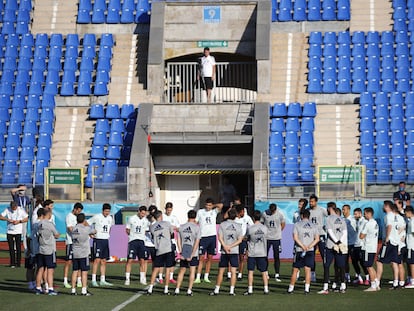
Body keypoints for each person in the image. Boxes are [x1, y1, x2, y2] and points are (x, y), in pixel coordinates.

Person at [209, 208, 243, 296]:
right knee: (233, 271)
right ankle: (231, 291)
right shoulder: (239, 226)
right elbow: (240, 240)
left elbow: (219, 237)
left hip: (224, 251)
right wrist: (230, 247)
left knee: (221, 271)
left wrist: (225, 246)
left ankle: (217, 289)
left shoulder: (223, 224)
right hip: (234, 251)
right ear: (235, 216)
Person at [287, 209, 319, 294]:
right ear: (309, 216)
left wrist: (302, 246)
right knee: (307, 270)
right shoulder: (314, 225)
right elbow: (317, 239)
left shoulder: (297, 224)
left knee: (295, 270)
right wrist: (309, 246)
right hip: (310, 250)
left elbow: (295, 237)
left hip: (299, 250)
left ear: (302, 216)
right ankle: (307, 289)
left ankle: (291, 288)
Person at [318, 204, 348, 294]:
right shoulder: (342, 219)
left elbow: (330, 232)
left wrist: (336, 242)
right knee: (341, 266)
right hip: (340, 245)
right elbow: (345, 232)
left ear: (329, 209)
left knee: (327, 266)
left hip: (330, 246)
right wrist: (340, 242)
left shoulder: (328, 219)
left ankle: (326, 287)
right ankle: (343, 286)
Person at [376, 200, 406, 290]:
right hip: (396, 242)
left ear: (387, 206)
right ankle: (396, 282)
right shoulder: (398, 217)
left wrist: (387, 237)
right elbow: (403, 227)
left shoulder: (388, 216)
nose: (383, 207)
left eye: (384, 206)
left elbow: (389, 226)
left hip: (389, 241)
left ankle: (376, 282)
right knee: (395, 262)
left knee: (379, 260)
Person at [147, 211, 175, 295]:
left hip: (159, 249)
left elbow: (152, 236)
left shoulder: (151, 227)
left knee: (156, 269)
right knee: (168, 269)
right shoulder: (167, 223)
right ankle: (166, 289)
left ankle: (150, 289)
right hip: (168, 249)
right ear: (161, 216)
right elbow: (172, 235)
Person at [195, 198, 222, 284]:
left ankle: (206, 276)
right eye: (207, 205)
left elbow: (220, 205)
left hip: (212, 237)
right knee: (201, 258)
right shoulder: (200, 212)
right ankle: (198, 277)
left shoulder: (214, 212)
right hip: (203, 237)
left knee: (210, 258)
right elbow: (196, 221)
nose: (208, 207)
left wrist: (212, 206)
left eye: (210, 205)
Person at [174, 209, 201, 296]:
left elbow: (178, 239)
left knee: (182, 270)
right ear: (195, 217)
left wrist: (181, 251)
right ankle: (189, 290)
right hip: (192, 251)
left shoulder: (182, 227)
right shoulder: (197, 228)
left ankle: (177, 289)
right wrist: (192, 254)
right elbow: (197, 242)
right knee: (192, 271)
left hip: (185, 250)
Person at [88, 203, 114, 287]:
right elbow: (87, 223)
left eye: (108, 211)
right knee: (97, 260)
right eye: (106, 211)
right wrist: (90, 232)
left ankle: (103, 279)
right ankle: (93, 279)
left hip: (106, 240)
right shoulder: (97, 217)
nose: (107, 213)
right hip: (98, 240)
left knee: (104, 260)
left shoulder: (110, 218)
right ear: (102, 210)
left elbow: (110, 228)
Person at [243, 210, 269, 295]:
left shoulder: (250, 228)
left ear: (253, 218)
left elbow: (246, 238)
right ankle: (266, 289)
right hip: (262, 252)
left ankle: (250, 289)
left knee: (250, 271)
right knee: (264, 271)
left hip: (252, 252)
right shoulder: (265, 228)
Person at [70, 213, 96, 296]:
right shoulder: (86, 229)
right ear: (84, 220)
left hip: (75, 252)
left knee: (75, 271)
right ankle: (84, 290)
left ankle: (73, 290)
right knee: (84, 272)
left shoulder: (74, 229)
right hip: (84, 253)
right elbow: (94, 230)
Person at [35, 208, 60, 295]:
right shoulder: (49, 224)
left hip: (41, 248)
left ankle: (38, 287)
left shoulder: (38, 224)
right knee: (50, 270)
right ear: (47, 214)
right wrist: (57, 234)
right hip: (49, 249)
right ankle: (50, 288)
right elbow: (56, 234)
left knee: (40, 269)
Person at [125, 205, 150, 286]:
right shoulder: (132, 219)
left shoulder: (145, 221)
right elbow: (127, 229)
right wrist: (132, 235)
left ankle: (142, 278)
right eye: (142, 213)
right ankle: (127, 279)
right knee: (130, 260)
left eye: (144, 214)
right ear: (139, 211)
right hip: (133, 241)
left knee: (142, 260)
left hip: (141, 242)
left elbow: (146, 231)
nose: (143, 215)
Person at [261, 203, 285, 282]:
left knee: (276, 256)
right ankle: (266, 272)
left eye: (273, 211)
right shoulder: (265, 213)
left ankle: (277, 274)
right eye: (271, 211)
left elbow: (283, 223)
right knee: (265, 255)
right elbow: (261, 223)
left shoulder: (280, 214)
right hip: (267, 238)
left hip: (276, 238)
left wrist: (279, 231)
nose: (272, 212)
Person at [0, 201, 28, 267]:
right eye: (12, 208)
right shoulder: (7, 209)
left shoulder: (21, 210)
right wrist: (8, 219)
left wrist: (19, 221)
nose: (13, 209)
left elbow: (26, 218)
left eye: (14, 208)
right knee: (11, 248)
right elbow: (1, 216)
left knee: (18, 248)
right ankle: (12, 263)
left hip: (18, 231)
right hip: (9, 231)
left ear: (16, 206)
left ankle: (18, 263)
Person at [63, 202, 84, 289]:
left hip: (77, 243)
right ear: (75, 209)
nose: (79, 212)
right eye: (78, 211)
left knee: (78, 261)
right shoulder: (69, 216)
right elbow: (70, 228)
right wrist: (78, 232)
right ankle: (65, 280)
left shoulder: (77, 217)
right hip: (71, 241)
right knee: (68, 261)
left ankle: (79, 280)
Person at [308, 194, 328, 282]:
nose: (311, 203)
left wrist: (326, 227)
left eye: (312, 201)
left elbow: (330, 216)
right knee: (311, 255)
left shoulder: (322, 210)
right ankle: (312, 275)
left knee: (324, 255)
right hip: (311, 236)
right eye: (310, 201)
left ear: (316, 202)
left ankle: (326, 276)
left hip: (321, 235)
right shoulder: (308, 211)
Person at [360, 207, 379, 292]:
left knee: (368, 267)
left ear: (368, 213)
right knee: (370, 266)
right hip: (373, 247)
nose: (364, 215)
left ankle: (373, 285)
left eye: (365, 213)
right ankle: (376, 283)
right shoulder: (375, 223)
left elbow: (361, 236)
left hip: (367, 247)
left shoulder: (368, 224)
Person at [234, 204, 253, 280]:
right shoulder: (234, 218)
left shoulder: (247, 218)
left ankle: (240, 274)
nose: (244, 213)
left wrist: (247, 235)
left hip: (242, 240)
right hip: (234, 240)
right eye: (243, 211)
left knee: (242, 257)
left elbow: (252, 226)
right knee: (232, 256)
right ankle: (230, 274)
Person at [351, 208, 370, 285]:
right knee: (354, 261)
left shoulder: (364, 221)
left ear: (360, 214)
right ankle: (359, 277)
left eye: (356, 214)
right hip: (356, 244)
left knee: (362, 262)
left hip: (361, 245)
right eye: (354, 214)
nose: (354, 215)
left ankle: (367, 278)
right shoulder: (357, 222)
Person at [163, 202, 180, 284]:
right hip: (164, 241)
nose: (169, 211)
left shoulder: (174, 218)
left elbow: (178, 228)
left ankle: (171, 277)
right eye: (167, 210)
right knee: (163, 259)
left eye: (170, 210)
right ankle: (160, 276)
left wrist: (174, 228)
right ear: (165, 209)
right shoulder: (162, 217)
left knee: (173, 259)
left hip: (172, 241)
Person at [10, 185, 31, 251]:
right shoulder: (16, 197)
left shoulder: (26, 198)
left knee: (24, 234)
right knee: (16, 233)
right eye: (21, 190)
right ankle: (15, 248)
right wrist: (20, 188)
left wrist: (27, 213)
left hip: (23, 217)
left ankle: (25, 248)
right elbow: (12, 191)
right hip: (17, 217)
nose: (22, 191)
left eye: (23, 190)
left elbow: (27, 206)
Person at [342, 204, 357, 283]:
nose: (343, 211)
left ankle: (359, 275)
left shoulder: (352, 220)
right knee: (345, 260)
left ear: (348, 210)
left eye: (344, 209)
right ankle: (346, 275)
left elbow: (355, 231)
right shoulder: (342, 219)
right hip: (345, 243)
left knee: (355, 260)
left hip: (352, 243)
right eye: (342, 209)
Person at [404, 205, 414, 288]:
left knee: (411, 263)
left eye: (405, 213)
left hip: (411, 245)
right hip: (410, 245)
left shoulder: (412, 222)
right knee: (409, 262)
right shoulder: (410, 221)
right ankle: (410, 279)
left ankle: (413, 281)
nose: (405, 214)